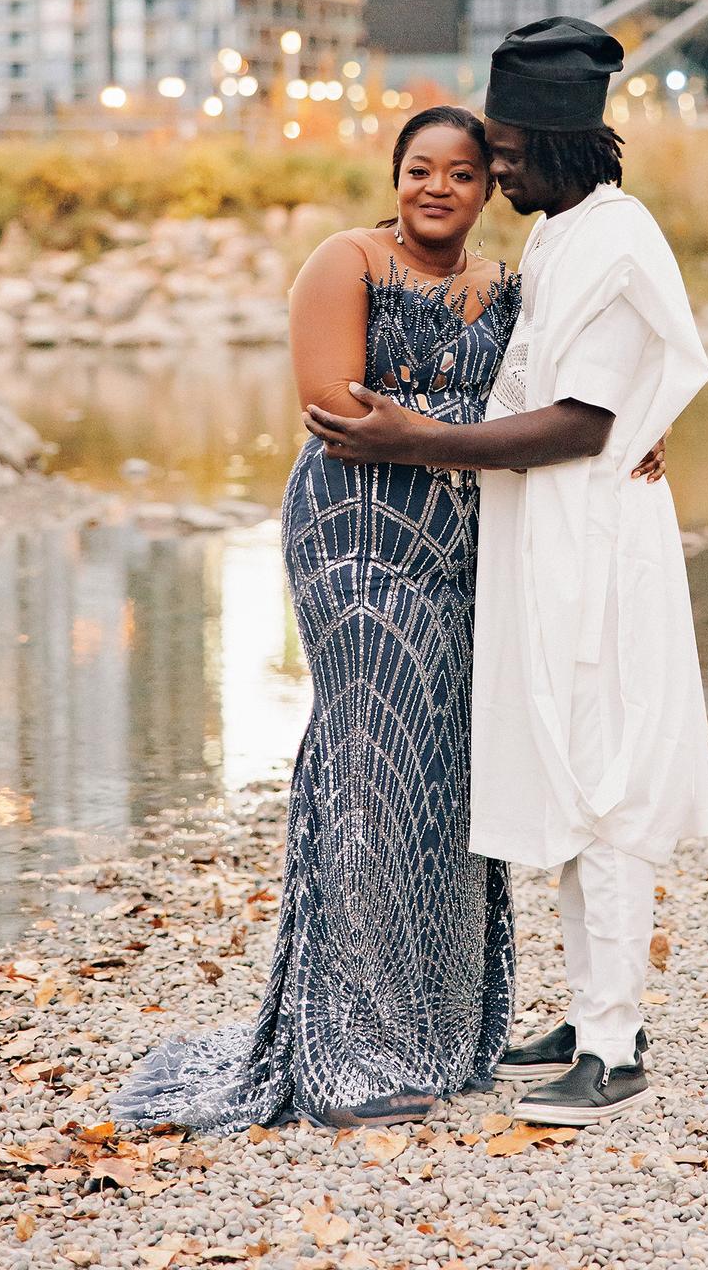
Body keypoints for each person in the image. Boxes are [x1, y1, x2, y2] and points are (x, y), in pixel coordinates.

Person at [305, 16, 708, 1129]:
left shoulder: (617, 243)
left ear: (549, 140)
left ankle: (616, 1040)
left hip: (600, 545)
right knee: (573, 771)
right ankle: (589, 1013)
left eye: (500, 148)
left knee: (611, 781)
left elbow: (582, 422)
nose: (491, 169)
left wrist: (412, 440)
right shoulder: (564, 232)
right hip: (554, 537)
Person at [112, 106, 520, 1131]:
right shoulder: (345, 262)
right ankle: (351, 1047)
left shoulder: (507, 286)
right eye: (419, 168)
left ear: (486, 188)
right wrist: (485, 438)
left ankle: (438, 1026)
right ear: (394, 178)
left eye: (460, 173)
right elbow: (337, 409)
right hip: (355, 541)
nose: (437, 187)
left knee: (449, 771)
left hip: (465, 552)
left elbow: (562, 403)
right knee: (369, 762)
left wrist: (623, 439)